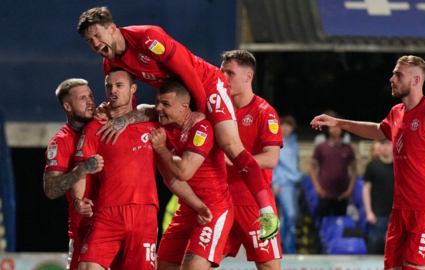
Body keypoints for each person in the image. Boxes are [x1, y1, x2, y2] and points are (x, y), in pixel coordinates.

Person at [76, 7, 279, 240]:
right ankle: (195, 209)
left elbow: (188, 72)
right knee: (161, 151)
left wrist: (199, 115)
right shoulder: (110, 64)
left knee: (230, 145)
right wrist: (108, 111)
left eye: (98, 36)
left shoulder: (148, 38)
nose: (95, 43)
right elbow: (124, 101)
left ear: (113, 29)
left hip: (206, 85)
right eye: (90, 41)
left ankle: (267, 213)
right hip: (174, 101)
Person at [310, 55, 425, 270]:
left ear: (416, 80)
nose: (392, 79)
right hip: (400, 210)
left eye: (398, 75)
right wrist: (340, 122)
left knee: (411, 267)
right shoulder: (396, 112)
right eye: (393, 74)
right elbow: (377, 130)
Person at [73, 68, 210, 270]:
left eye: (119, 85)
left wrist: (198, 205)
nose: (113, 91)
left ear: (133, 89)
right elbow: (80, 169)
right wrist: (78, 199)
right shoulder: (96, 126)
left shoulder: (155, 128)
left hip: (144, 216)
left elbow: (171, 176)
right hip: (108, 214)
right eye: (109, 86)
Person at [149, 80, 233, 270]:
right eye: (157, 102)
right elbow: (171, 179)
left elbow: (184, 172)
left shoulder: (202, 127)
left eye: (166, 104)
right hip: (189, 209)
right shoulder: (163, 130)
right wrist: (197, 205)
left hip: (214, 210)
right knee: (163, 266)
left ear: (184, 107)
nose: (158, 108)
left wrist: (161, 149)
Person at [220, 50, 283, 269]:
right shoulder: (218, 111)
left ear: (248, 76)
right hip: (221, 200)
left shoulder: (265, 112)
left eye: (230, 73)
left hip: (254, 203)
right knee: (199, 261)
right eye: (222, 72)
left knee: (268, 266)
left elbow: (271, 159)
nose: (224, 78)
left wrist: (236, 160)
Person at [43, 78, 103, 270]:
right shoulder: (61, 142)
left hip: (118, 224)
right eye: (82, 98)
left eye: (91, 96)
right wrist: (82, 169)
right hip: (84, 229)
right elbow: (51, 190)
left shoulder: (107, 125)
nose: (90, 102)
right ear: (68, 106)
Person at [309, 123, 357, 222]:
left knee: (340, 223)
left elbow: (354, 171)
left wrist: (349, 190)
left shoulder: (348, 148)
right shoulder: (321, 147)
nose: (335, 129)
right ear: (328, 129)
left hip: (342, 194)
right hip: (325, 194)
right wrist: (318, 188)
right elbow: (312, 169)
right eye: (333, 127)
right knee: (323, 223)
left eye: (338, 127)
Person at [272, 115, 303, 254]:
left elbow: (294, 164)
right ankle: (284, 247)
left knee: (291, 216)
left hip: (293, 184)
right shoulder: (276, 142)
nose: (286, 128)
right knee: (288, 215)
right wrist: (274, 183)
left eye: (288, 125)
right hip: (281, 184)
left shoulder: (294, 143)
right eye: (283, 125)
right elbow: (273, 164)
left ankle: (287, 246)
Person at [362, 138, 395, 254]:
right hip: (378, 215)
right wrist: (369, 212)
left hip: (397, 215)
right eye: (382, 143)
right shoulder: (372, 166)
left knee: (396, 248)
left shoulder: (400, 165)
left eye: (388, 143)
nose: (385, 146)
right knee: (375, 245)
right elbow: (366, 190)